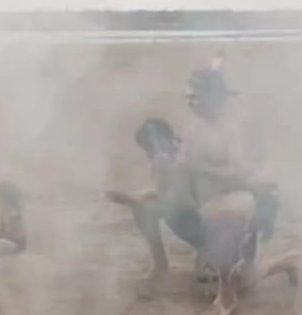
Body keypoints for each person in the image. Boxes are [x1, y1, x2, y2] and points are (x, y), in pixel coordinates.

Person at [114, 57, 280, 292]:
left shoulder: (232, 130)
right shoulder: (192, 129)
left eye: (196, 97)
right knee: (143, 205)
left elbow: (239, 174)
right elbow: (181, 175)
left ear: (213, 97)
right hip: (197, 208)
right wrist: (160, 175)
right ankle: (162, 267)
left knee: (242, 284)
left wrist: (199, 168)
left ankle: (282, 262)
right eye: (189, 97)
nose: (191, 103)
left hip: (230, 215)